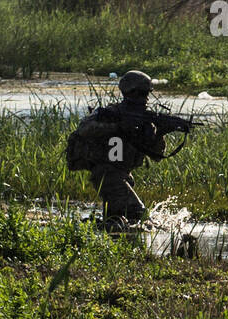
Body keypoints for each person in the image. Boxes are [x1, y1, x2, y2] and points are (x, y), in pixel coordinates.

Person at [66, 71, 185, 232]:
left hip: (123, 176)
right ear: (130, 92)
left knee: (117, 222)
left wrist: (161, 132)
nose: (145, 98)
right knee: (140, 216)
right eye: (141, 93)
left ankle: (98, 237)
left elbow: (156, 155)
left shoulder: (145, 122)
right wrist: (118, 126)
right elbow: (83, 129)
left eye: (147, 94)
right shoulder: (111, 113)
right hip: (106, 174)